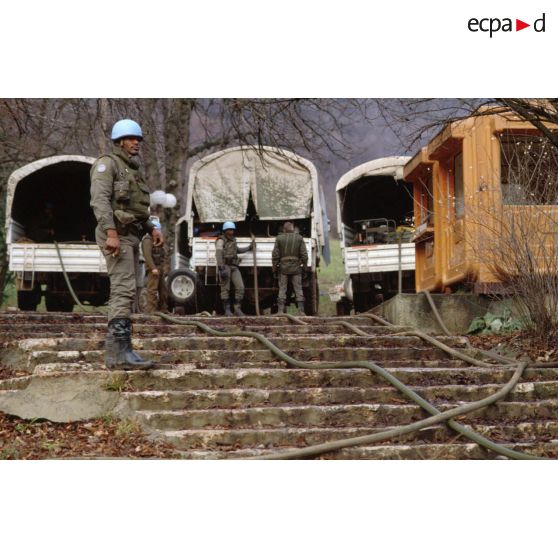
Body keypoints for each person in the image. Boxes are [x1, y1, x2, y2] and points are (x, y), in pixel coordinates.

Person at [90, 118, 163, 370]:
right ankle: (118, 353)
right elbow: (99, 201)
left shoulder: (133, 171)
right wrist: (111, 233)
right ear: (119, 141)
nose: (136, 143)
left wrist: (151, 228)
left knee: (130, 289)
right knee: (122, 289)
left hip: (131, 234)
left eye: (139, 139)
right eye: (132, 138)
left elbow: (136, 209)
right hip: (116, 234)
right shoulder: (106, 165)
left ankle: (122, 350)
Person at [215, 221, 251, 316]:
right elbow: (218, 253)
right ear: (225, 230)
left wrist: (249, 248)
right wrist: (221, 268)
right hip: (225, 266)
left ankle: (237, 309)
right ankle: (227, 310)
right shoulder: (221, 240)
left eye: (233, 229)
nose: (232, 231)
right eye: (230, 229)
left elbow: (237, 250)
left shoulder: (233, 240)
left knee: (240, 287)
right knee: (225, 289)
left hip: (234, 266)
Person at [272, 221, 308, 315]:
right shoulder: (299, 238)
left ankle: (280, 311)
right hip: (296, 268)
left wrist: (274, 268)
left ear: (284, 229)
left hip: (283, 268)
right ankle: (301, 311)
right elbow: (304, 255)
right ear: (293, 229)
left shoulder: (279, 238)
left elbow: (275, 255)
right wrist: (304, 267)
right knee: (298, 289)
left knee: (282, 289)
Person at [141, 213, 169, 313]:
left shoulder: (158, 240)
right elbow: (147, 256)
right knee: (152, 290)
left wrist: (163, 268)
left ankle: (163, 309)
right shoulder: (147, 240)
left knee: (163, 290)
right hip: (153, 269)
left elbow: (164, 255)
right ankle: (151, 311)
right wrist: (153, 268)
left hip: (159, 267)